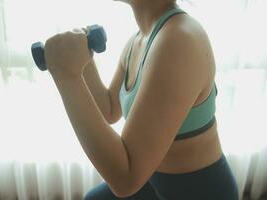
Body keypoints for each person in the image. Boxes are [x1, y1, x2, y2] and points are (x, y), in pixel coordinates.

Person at [44, 0, 239, 199]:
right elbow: (109, 109)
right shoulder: (139, 39)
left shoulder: (179, 40)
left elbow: (126, 179)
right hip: (153, 179)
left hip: (199, 189)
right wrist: (83, 61)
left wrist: (67, 75)